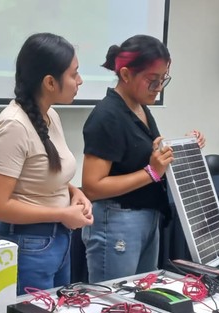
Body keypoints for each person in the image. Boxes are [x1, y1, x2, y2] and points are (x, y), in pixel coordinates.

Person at [81, 34, 205, 283]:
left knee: (140, 301)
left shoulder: (140, 108)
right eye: (152, 80)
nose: (158, 87)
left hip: (146, 217)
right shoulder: (107, 116)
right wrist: (151, 171)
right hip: (117, 221)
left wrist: (184, 147)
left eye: (163, 79)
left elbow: (147, 160)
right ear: (126, 75)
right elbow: (92, 187)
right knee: (114, 304)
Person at [0, 33, 93, 294]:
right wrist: (62, 214)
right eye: (74, 74)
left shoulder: (51, 115)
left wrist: (74, 193)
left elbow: (47, 178)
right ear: (50, 82)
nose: (80, 81)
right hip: (30, 244)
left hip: (58, 240)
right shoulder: (14, 125)